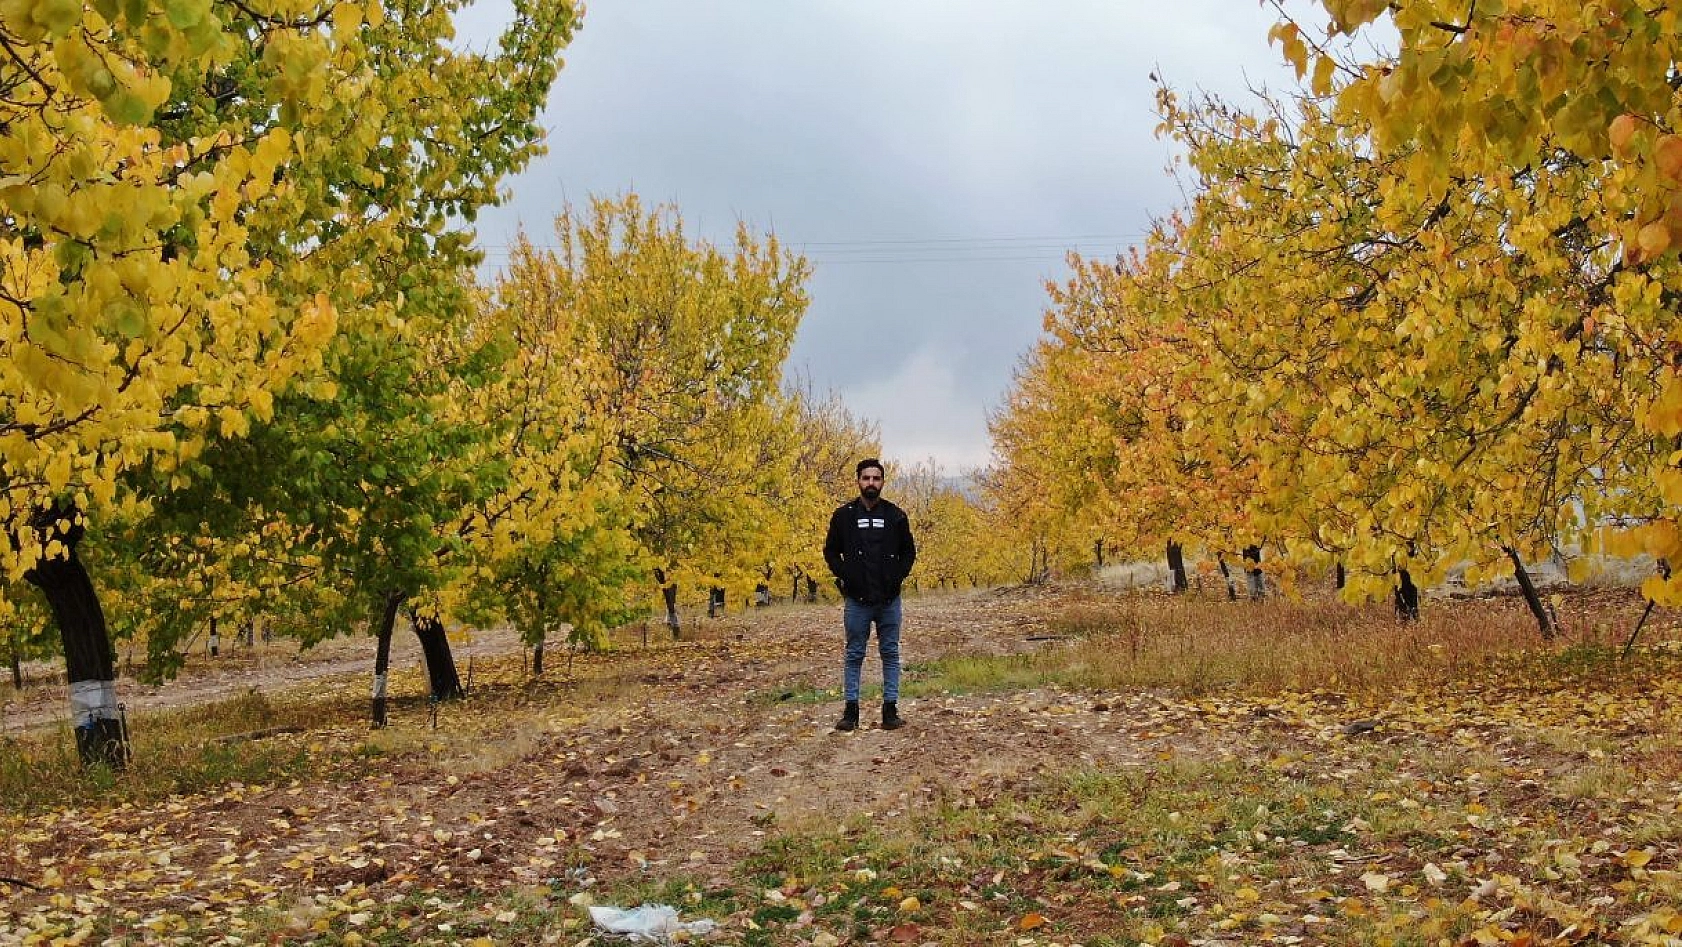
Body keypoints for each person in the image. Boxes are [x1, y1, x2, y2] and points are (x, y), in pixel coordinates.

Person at [823, 458, 917, 731]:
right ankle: (851, 712)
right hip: (857, 601)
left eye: (876, 478)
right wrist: (845, 573)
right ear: (858, 481)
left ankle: (890, 709)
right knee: (854, 654)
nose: (871, 483)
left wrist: (897, 575)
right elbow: (830, 550)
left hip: (889, 601)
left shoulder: (896, 516)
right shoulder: (843, 516)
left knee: (890, 653)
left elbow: (908, 551)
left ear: (883, 482)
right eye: (866, 478)